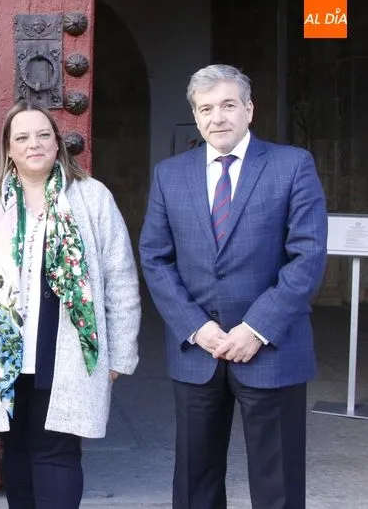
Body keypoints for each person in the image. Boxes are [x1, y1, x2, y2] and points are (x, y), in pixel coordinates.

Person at [139, 64, 328, 509]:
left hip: (272, 348)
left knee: (278, 485)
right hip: (198, 351)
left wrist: (256, 329)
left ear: (249, 109)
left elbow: (308, 255)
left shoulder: (291, 165)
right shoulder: (170, 174)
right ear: (195, 115)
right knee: (195, 484)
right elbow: (155, 257)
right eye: (206, 109)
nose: (217, 117)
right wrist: (196, 327)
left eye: (228, 105)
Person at [0, 101, 140, 508]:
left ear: (58, 142)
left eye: (43, 135)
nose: (33, 144)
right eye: (22, 137)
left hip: (66, 353)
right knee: (15, 449)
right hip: (2, 354)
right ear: (8, 148)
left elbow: (120, 277)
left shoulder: (91, 197)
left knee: (57, 451)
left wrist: (120, 354)